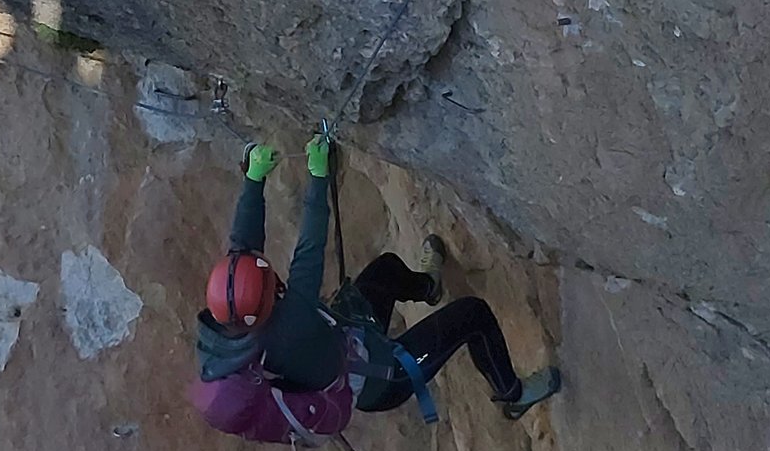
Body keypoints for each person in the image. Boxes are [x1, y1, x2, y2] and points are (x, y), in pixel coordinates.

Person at [196, 136, 561, 421]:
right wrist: (318, 176)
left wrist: (254, 178)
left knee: (386, 269)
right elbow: (309, 250)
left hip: (349, 336)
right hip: (383, 377)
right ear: (269, 301)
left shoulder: (231, 313)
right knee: (473, 315)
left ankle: (429, 287)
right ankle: (513, 394)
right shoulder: (291, 323)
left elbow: (242, 245)